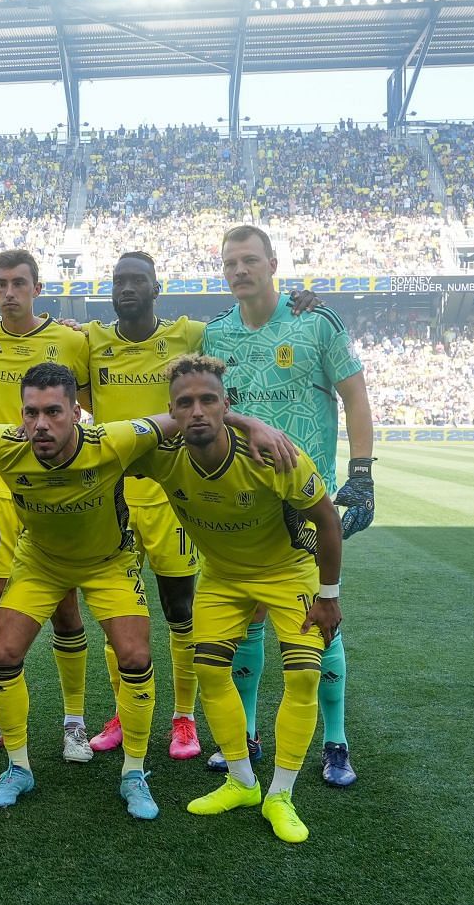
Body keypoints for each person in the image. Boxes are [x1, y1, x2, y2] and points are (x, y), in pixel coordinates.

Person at [0, 362, 295, 818]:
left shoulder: (114, 439)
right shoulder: (5, 445)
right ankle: (18, 768)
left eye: (53, 411)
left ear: (76, 412)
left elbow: (191, 415)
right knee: (3, 655)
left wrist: (253, 423)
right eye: (31, 413)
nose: (41, 424)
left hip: (109, 563)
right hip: (40, 563)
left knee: (136, 657)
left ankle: (133, 773)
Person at [132, 355, 342, 843]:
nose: (198, 411)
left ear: (227, 406)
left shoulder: (271, 455)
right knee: (208, 669)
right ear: (171, 411)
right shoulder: (162, 457)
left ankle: (281, 796)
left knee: (304, 675)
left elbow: (328, 523)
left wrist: (328, 596)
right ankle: (243, 782)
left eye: (209, 400)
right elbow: (110, 444)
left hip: (287, 571)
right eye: (185, 404)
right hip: (223, 577)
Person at [207, 224, 375, 788]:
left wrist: (362, 472)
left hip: (307, 502)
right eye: (230, 262)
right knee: (248, 617)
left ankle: (336, 741)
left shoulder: (315, 322)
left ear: (273, 263)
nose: (239, 271)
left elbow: (354, 394)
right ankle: (248, 734)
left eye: (250, 260)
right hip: (242, 506)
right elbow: (208, 407)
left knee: (318, 619)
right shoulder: (215, 336)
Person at [0, 250, 97, 762]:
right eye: (0, 284)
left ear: (37, 287)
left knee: (65, 606)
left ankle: (74, 721)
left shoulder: (73, 340)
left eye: (18, 283)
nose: (8, 293)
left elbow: (96, 401)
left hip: (58, 491)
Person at [78, 252, 207, 761]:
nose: (127, 288)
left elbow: (243, 324)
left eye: (137, 281)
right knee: (119, 617)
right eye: (118, 281)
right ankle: (121, 712)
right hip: (113, 501)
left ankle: (183, 719)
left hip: (173, 498)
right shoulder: (91, 342)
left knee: (181, 611)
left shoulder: (189, 335)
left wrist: (298, 303)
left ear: (157, 288)